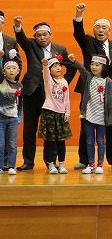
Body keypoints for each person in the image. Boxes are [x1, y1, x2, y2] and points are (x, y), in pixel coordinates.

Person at [13, 16, 76, 171]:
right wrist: (18, 26)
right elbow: (21, 39)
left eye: (45, 34)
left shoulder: (60, 49)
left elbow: (72, 67)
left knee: (51, 129)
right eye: (39, 35)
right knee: (29, 128)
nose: (42, 37)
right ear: (35, 37)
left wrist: (61, 83)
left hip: (52, 96)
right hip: (32, 91)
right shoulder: (31, 45)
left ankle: (50, 162)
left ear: (50, 35)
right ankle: (28, 162)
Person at [72, 3, 112, 170]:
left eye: (104, 28)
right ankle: (84, 159)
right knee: (86, 121)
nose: (101, 30)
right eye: (98, 27)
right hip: (90, 88)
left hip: (110, 89)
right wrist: (79, 15)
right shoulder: (88, 42)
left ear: (109, 31)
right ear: (94, 31)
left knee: (111, 123)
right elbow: (78, 33)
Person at [69, 53, 112, 174]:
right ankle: (91, 164)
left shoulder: (108, 81)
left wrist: (108, 118)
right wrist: (74, 61)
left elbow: (109, 101)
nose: (93, 67)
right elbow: (81, 68)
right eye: (92, 64)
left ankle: (100, 164)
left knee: (100, 140)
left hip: (101, 115)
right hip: (89, 114)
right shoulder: (88, 77)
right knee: (89, 140)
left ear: (103, 67)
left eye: (97, 65)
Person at [39, 56, 72, 174]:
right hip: (50, 112)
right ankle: (51, 164)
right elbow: (45, 74)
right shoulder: (49, 81)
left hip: (61, 114)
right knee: (50, 141)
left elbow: (67, 99)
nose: (58, 68)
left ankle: (61, 164)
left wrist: (67, 112)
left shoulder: (64, 81)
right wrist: (45, 65)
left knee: (61, 141)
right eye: (54, 66)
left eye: (59, 65)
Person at [0, 60, 22, 175]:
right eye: (8, 68)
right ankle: (0, 166)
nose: (11, 71)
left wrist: (19, 117)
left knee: (12, 143)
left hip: (13, 118)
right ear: (4, 71)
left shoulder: (19, 86)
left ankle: (11, 166)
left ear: (18, 71)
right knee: (1, 144)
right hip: (1, 118)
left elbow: (20, 103)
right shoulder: (2, 84)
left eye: (14, 68)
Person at [0, 10, 22, 82]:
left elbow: (17, 63)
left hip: (6, 83)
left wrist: (13, 83)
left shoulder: (11, 41)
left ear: (2, 24)